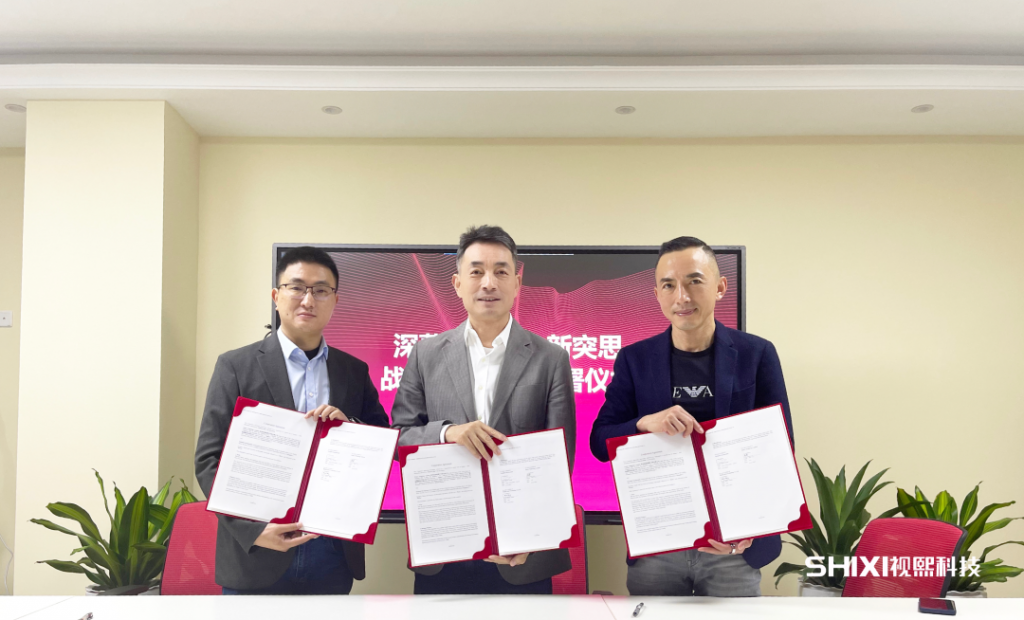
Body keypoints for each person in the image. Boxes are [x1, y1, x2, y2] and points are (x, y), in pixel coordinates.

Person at [590, 236, 793, 597]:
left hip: (733, 546)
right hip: (659, 544)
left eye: (694, 281)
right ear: (657, 295)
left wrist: (753, 528)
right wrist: (643, 423)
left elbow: (781, 450)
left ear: (720, 287)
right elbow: (599, 441)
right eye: (669, 285)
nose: (681, 297)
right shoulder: (635, 359)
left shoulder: (756, 354)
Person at [391, 224, 576, 594]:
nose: (488, 283)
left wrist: (532, 535)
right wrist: (448, 432)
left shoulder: (551, 358)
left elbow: (561, 459)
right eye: (476, 272)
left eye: (501, 272)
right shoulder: (425, 354)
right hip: (444, 546)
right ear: (458, 283)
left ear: (517, 283)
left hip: (522, 554)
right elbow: (399, 438)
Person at [195, 246, 390, 594]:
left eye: (321, 290)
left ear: (335, 300)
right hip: (257, 553)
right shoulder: (236, 366)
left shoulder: (353, 371)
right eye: (297, 287)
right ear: (276, 296)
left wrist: (349, 427)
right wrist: (254, 530)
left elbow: (382, 444)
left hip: (331, 550)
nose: (308, 300)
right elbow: (209, 460)